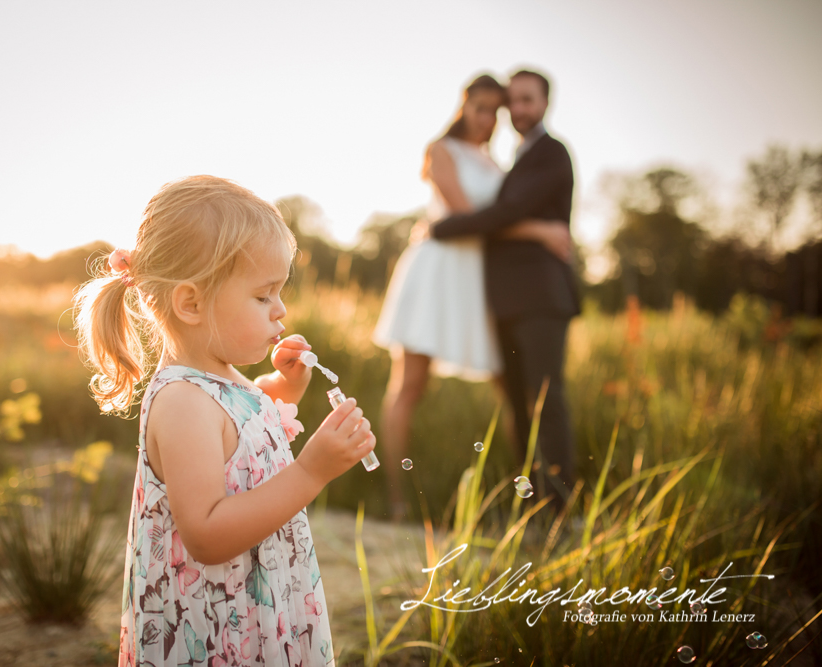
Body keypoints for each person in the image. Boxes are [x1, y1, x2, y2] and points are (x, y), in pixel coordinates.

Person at [75, 175, 376, 666]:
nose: (280, 309)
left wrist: (285, 388)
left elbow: (242, 425)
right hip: (216, 634)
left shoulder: (222, 382)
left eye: (279, 293)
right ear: (191, 303)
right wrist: (312, 470)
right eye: (263, 296)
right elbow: (208, 534)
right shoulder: (181, 403)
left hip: (255, 607)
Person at [372, 74, 571, 521]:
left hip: (478, 280)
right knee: (410, 384)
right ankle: (397, 497)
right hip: (437, 271)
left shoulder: (496, 164)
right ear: (463, 106)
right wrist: (540, 230)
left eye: (495, 112)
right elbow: (467, 216)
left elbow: (497, 214)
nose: (487, 119)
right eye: (480, 108)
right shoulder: (439, 150)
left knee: (512, 387)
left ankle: (535, 499)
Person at [430, 69, 581, 503]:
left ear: (545, 103)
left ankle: (561, 510)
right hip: (507, 302)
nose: (518, 110)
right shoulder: (514, 158)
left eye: (527, 100)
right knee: (518, 405)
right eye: (512, 102)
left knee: (546, 402)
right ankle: (531, 508)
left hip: (542, 299)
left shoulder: (552, 153)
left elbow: (508, 212)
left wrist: (444, 228)